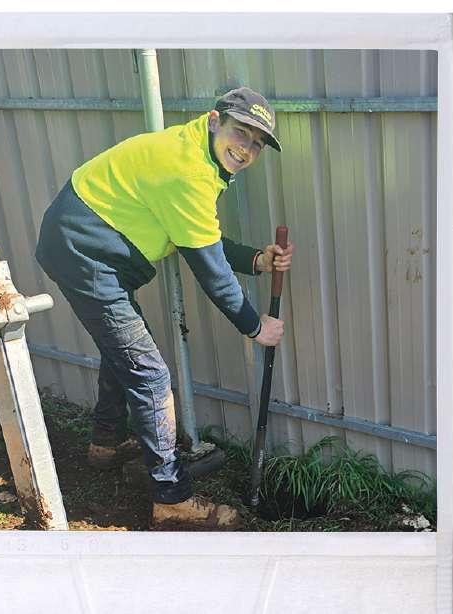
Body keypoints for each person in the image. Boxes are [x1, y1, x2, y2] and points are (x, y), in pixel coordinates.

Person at [36, 86, 293, 529]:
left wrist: (256, 260)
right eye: (241, 132)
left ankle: (105, 442)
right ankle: (171, 498)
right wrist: (255, 327)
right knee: (150, 374)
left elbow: (198, 236)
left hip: (84, 246)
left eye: (256, 143)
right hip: (85, 254)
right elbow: (210, 269)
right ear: (215, 120)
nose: (246, 149)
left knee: (125, 352)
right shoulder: (188, 172)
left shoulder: (195, 153)